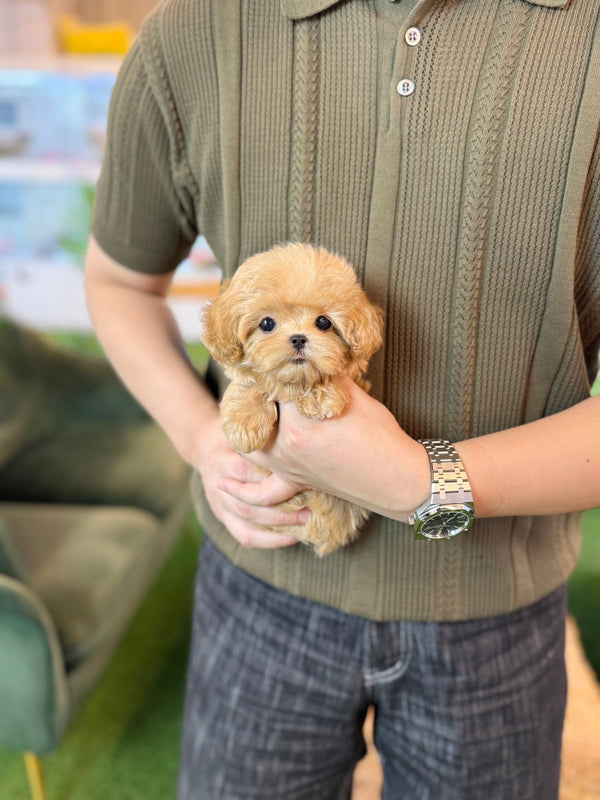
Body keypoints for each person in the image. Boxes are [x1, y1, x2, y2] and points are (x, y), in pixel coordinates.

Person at [84, 0, 600, 797]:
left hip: (497, 611)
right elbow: (119, 279)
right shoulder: (194, 31)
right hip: (257, 587)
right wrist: (208, 441)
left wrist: (420, 482)